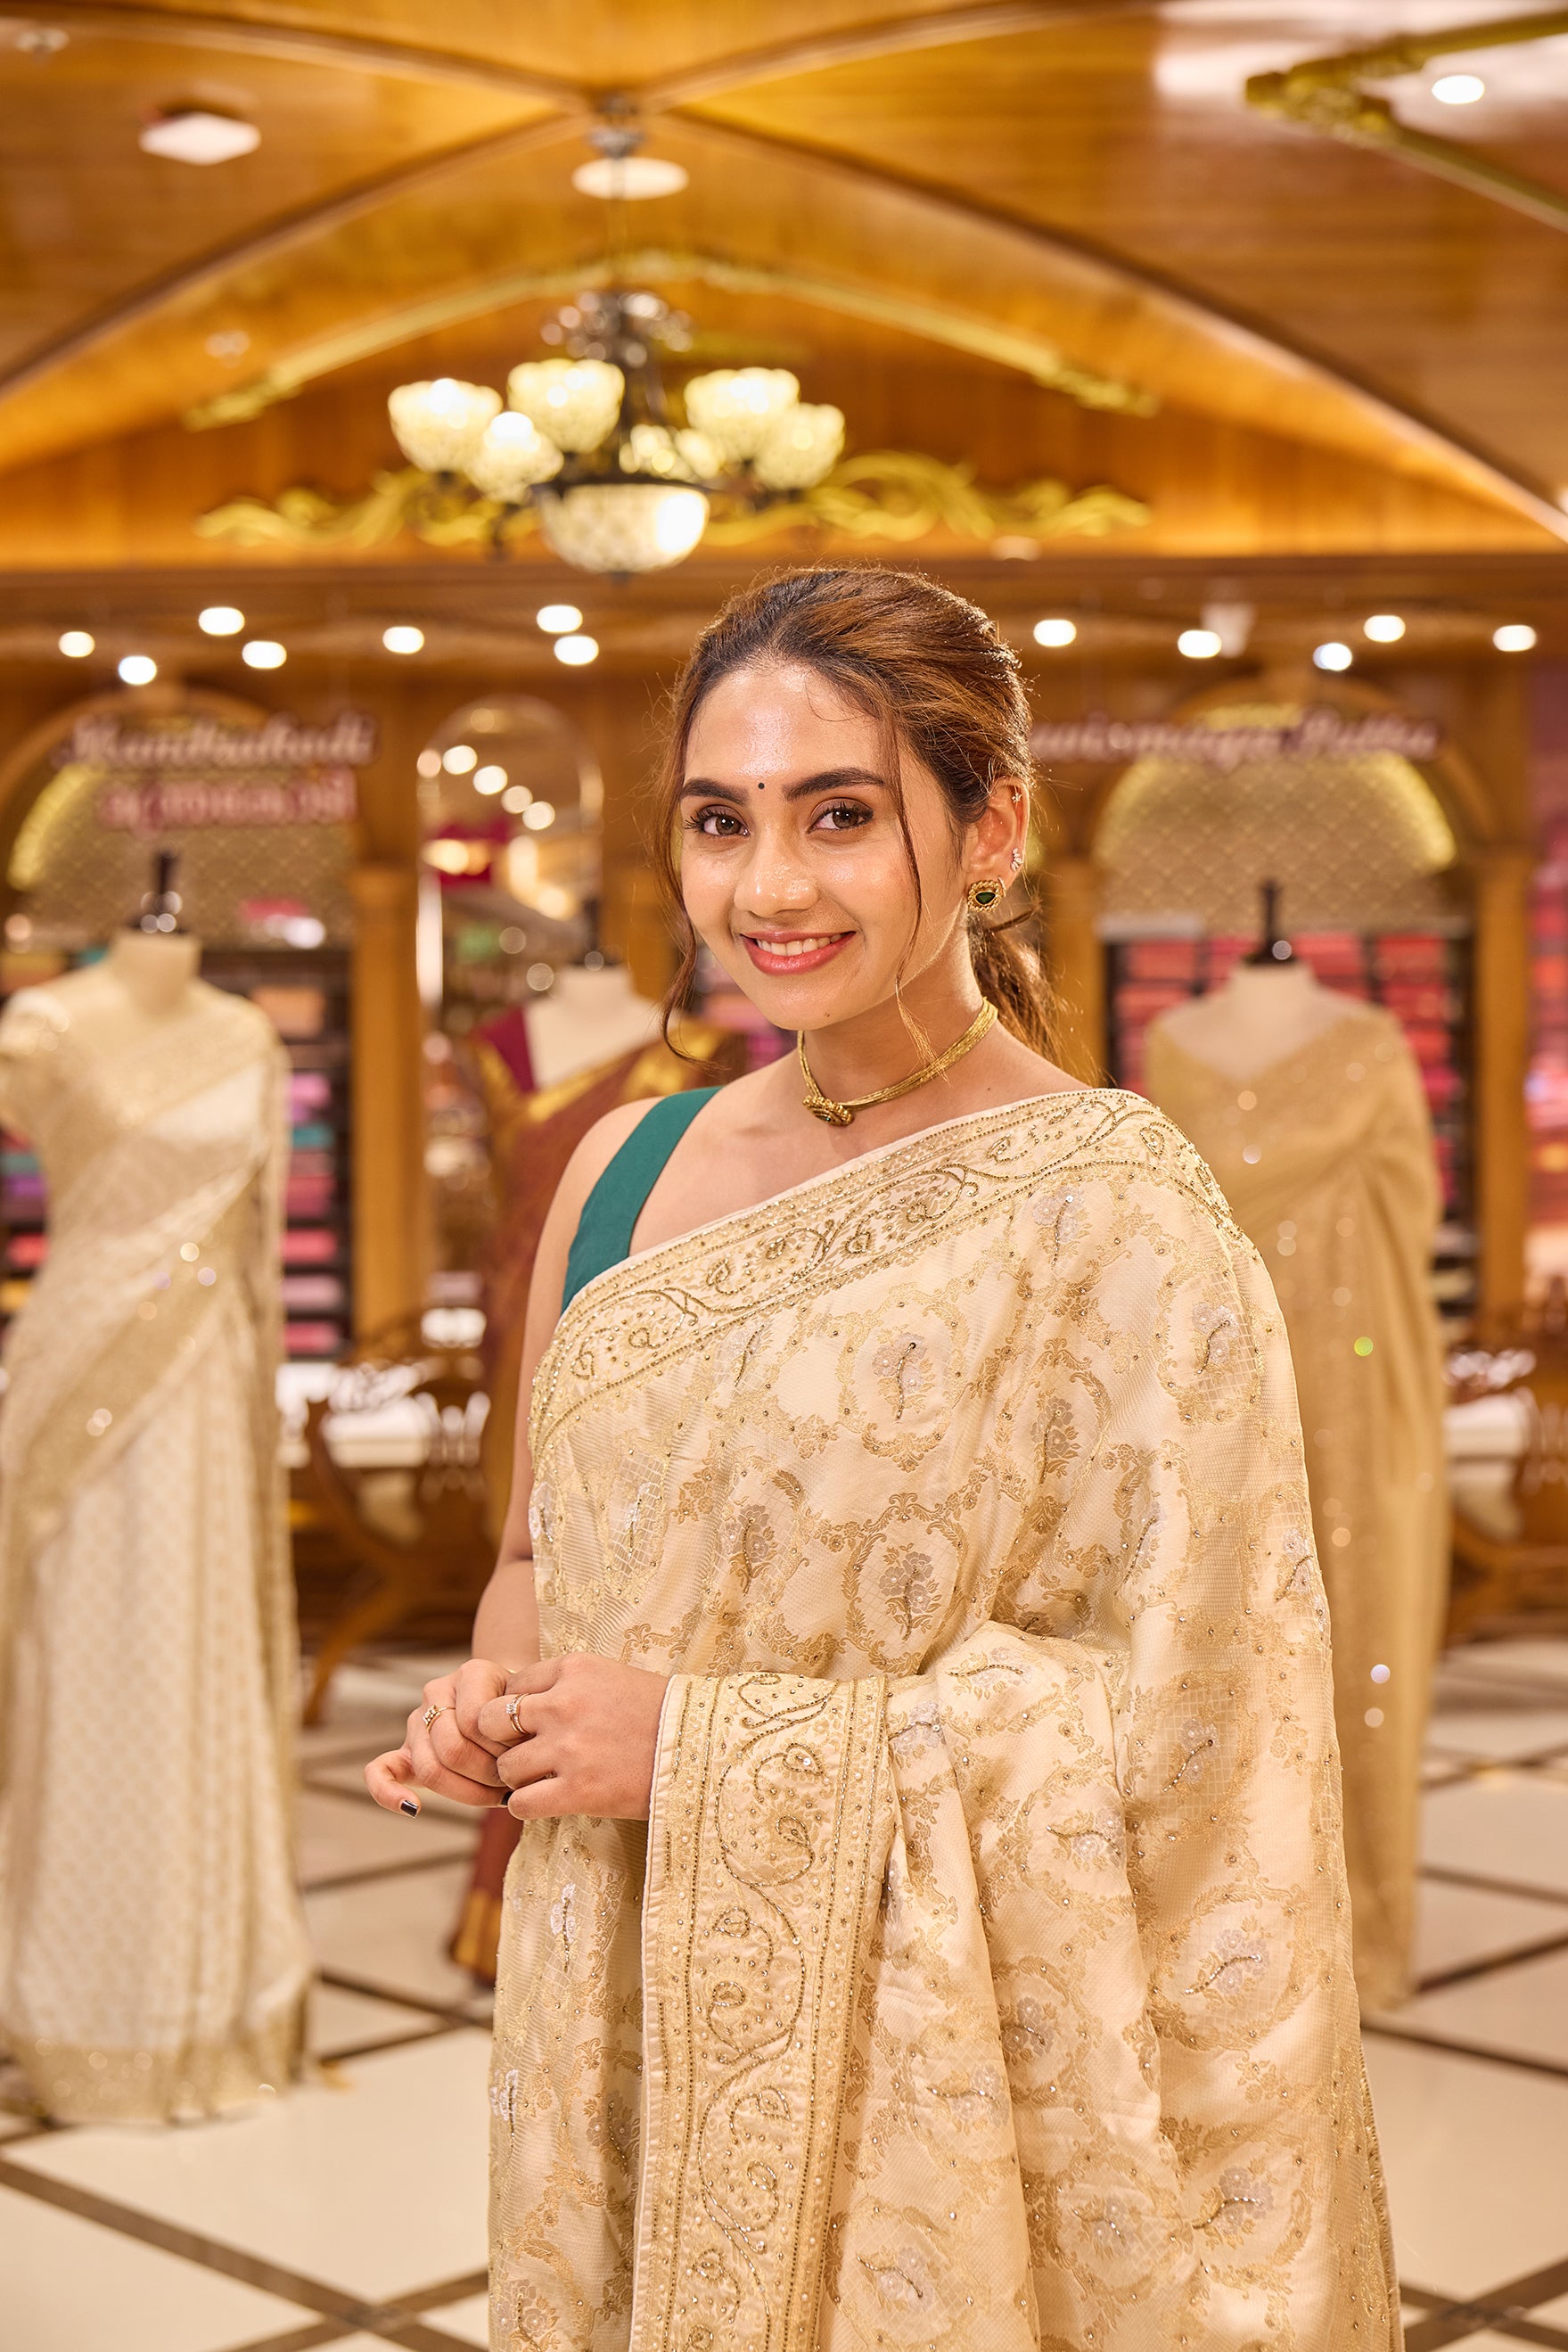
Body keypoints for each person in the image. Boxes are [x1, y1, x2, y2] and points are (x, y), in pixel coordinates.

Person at [368, 567, 1398, 2350]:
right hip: (612, 1987)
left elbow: (1192, 1731)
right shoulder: (618, 1169)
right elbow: (540, 1557)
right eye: (719, 821)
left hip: (933, 2090)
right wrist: (491, 1691)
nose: (767, 887)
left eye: (839, 815)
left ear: (987, 823)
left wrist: (698, 1745)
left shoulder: (1112, 1206)